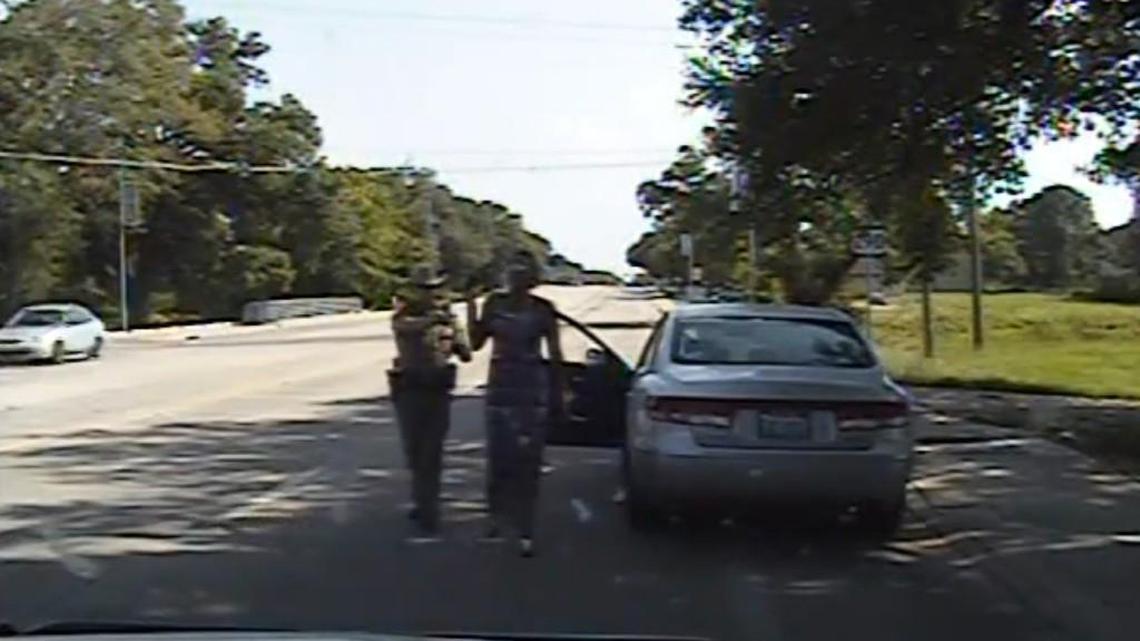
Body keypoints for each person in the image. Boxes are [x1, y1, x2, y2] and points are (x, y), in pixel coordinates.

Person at [466, 250, 564, 557]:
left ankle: (525, 528)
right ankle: (495, 517)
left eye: (522, 272)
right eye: (513, 271)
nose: (517, 278)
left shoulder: (543, 309)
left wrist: (559, 393)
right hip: (501, 388)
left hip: (532, 390)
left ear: (532, 278)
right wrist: (471, 306)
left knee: (529, 462)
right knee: (499, 459)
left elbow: (556, 354)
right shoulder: (494, 304)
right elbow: (476, 342)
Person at [389, 264, 472, 536]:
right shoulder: (405, 314)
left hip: (437, 390)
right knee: (414, 451)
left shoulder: (447, 318)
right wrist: (434, 320)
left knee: (432, 452)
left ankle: (430, 506)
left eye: (433, 289)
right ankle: (420, 499)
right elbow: (404, 326)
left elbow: (466, 352)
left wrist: (458, 329)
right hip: (410, 390)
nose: (428, 294)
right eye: (423, 289)